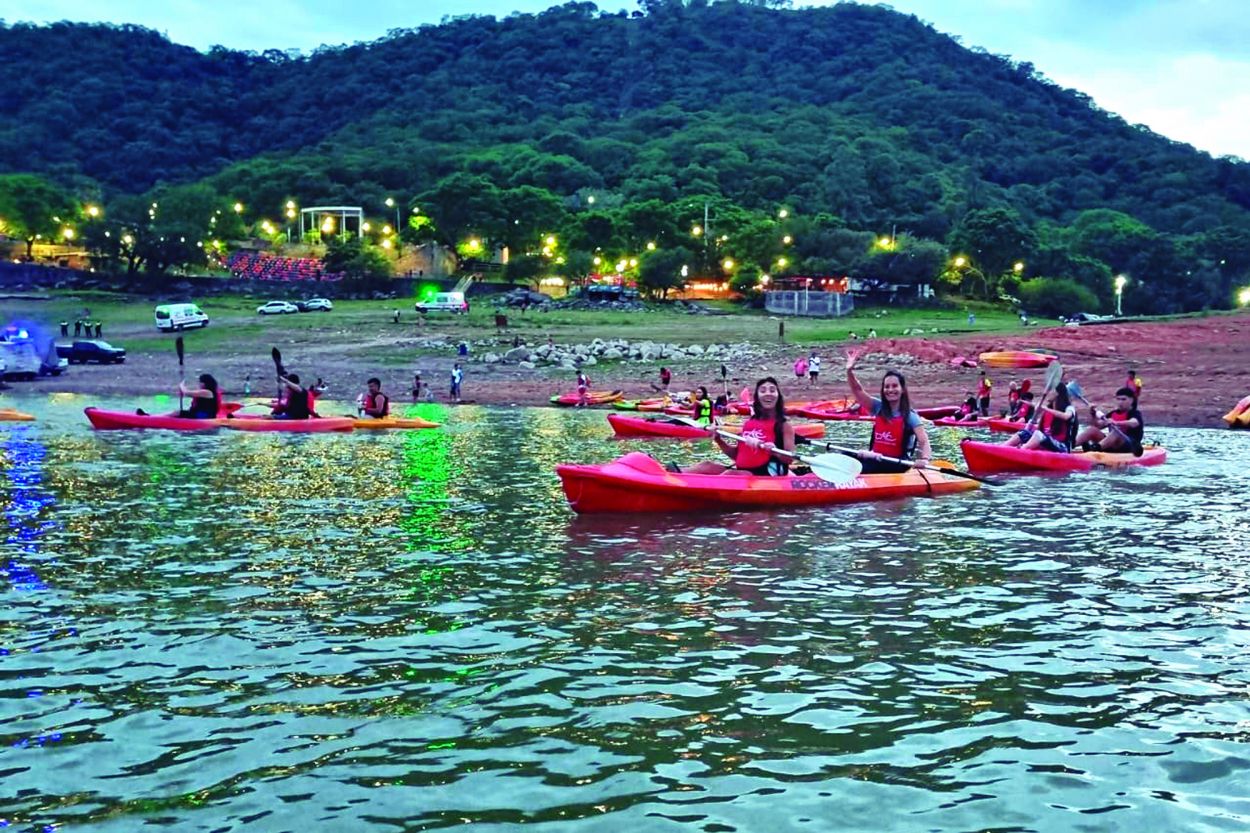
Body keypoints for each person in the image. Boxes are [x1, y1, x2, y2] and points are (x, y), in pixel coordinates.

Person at [686, 377, 796, 476]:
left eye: (772, 390)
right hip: (743, 472)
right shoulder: (749, 423)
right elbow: (737, 455)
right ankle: (672, 477)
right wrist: (719, 440)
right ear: (757, 397)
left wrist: (774, 451)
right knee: (706, 465)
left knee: (730, 474)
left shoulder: (784, 425)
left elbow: (789, 459)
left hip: (766, 474)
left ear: (778, 396)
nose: (768, 393)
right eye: (763, 391)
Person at [846, 350, 932, 473]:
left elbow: (924, 442)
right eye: (887, 386)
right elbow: (857, 390)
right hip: (876, 459)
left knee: (861, 468)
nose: (890, 390)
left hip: (896, 464)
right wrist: (849, 371)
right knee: (844, 454)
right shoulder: (877, 407)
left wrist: (924, 459)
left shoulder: (910, 416)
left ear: (902, 389)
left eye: (894, 386)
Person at [1005, 382, 1077, 452]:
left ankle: (1020, 451)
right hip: (1047, 443)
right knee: (1024, 433)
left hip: (1063, 447)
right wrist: (1036, 413)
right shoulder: (1048, 411)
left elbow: (1066, 416)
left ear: (1057, 393)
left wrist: (1045, 408)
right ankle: (1003, 448)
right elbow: (1035, 428)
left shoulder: (1069, 408)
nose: (1048, 392)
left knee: (1039, 435)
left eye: (1050, 390)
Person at [1076, 387, 1144, 452]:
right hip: (1112, 445)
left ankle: (1094, 449)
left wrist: (1116, 422)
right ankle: (1070, 445)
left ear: (1132, 400)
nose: (1120, 402)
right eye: (1118, 399)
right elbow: (1097, 425)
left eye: (1123, 399)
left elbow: (1134, 423)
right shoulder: (1113, 414)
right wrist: (1093, 414)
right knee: (1091, 430)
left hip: (1130, 446)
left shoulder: (1135, 413)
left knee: (1116, 432)